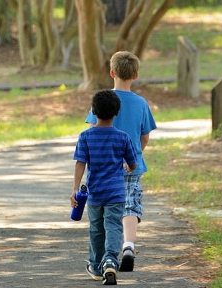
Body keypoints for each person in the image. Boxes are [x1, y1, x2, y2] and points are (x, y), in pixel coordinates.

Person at [85, 51, 157, 272]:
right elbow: (145, 136)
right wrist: (132, 156)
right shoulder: (141, 103)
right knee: (130, 206)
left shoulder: (103, 100)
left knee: (105, 213)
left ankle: (104, 256)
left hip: (104, 169)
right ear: (135, 75)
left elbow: (92, 130)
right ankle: (128, 245)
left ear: (111, 72)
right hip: (131, 167)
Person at [70, 90, 137, 285]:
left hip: (95, 194)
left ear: (93, 111)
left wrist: (75, 188)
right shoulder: (123, 137)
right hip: (116, 193)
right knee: (114, 227)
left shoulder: (85, 137)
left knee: (97, 229)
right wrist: (127, 166)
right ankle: (110, 260)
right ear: (117, 112)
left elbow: (80, 163)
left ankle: (97, 266)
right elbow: (132, 163)